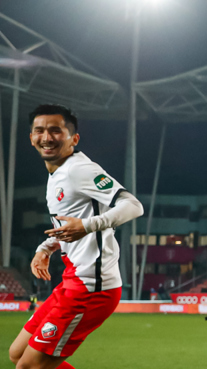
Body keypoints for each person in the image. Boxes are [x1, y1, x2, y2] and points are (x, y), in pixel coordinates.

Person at [9, 104, 144, 369]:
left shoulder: (79, 170)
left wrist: (88, 225)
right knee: (17, 353)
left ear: (74, 138)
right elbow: (71, 223)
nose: (46, 137)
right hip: (72, 280)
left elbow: (133, 205)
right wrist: (46, 248)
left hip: (93, 287)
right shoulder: (57, 173)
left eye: (55, 130)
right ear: (31, 137)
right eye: (39, 131)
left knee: (29, 366)